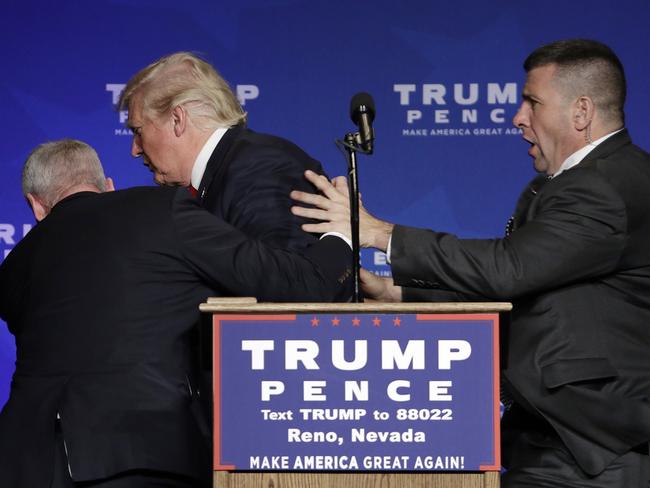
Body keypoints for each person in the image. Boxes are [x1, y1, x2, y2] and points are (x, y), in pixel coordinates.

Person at [290, 39, 650, 487]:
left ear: (581, 112)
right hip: (552, 435)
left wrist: (379, 232)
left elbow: (509, 270)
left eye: (532, 102)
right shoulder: (574, 183)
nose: (518, 117)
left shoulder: (606, 187)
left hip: (592, 444)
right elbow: (520, 282)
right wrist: (395, 291)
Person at [0, 139, 352, 487]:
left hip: (26, 462)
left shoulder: (15, 265)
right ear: (108, 186)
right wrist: (341, 233)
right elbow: (295, 284)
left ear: (36, 206)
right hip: (143, 455)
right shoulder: (161, 210)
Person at [118, 51, 326, 253]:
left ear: (177, 120)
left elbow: (283, 281)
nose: (134, 150)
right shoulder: (223, 173)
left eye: (138, 131)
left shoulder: (258, 168)